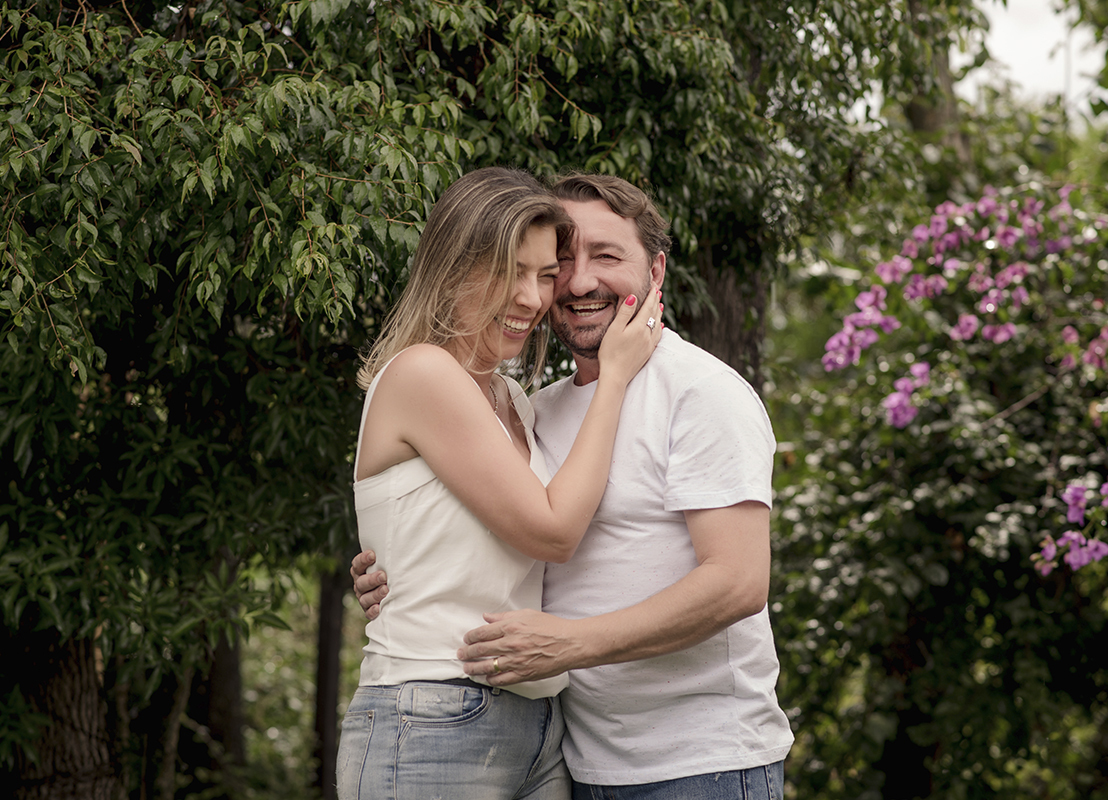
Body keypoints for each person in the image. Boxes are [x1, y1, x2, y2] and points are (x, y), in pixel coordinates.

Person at [354, 173, 794, 799]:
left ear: (656, 272)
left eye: (606, 256)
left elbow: (739, 582)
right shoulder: (538, 408)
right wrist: (401, 571)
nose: (576, 282)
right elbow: (506, 530)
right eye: (561, 263)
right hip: (575, 753)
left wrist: (569, 646)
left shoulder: (700, 392)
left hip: (697, 761)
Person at [336, 167, 662, 800]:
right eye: (510, 271)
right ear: (453, 267)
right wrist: (616, 376)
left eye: (544, 275)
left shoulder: (512, 399)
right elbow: (554, 531)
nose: (532, 298)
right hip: (432, 713)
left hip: (538, 720)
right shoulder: (424, 373)